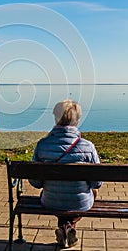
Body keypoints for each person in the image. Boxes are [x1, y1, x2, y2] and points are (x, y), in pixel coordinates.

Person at [29, 99, 102, 248]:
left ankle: (65, 227)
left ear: (55, 118)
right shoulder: (87, 147)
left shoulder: (42, 145)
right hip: (80, 203)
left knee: (56, 194)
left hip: (50, 201)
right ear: (78, 121)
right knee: (92, 193)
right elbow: (97, 183)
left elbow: (36, 183)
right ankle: (69, 226)